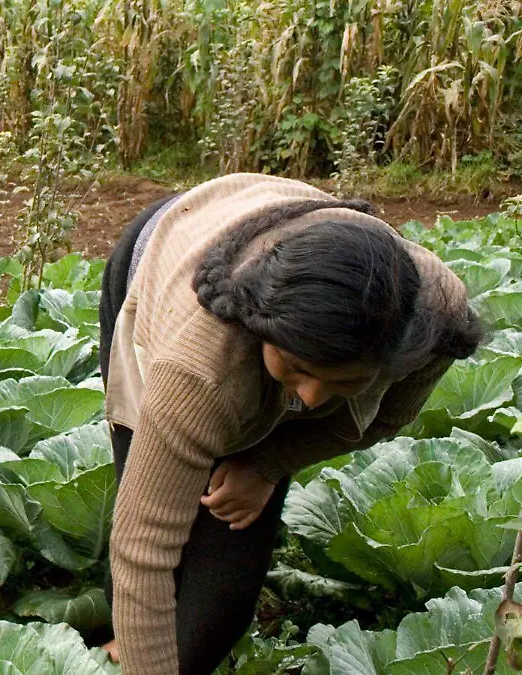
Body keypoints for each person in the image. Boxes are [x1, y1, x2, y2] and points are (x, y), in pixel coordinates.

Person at [97, 173, 481, 674]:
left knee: (214, 614)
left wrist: (268, 463)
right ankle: (123, 640)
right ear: (260, 333)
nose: (311, 397)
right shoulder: (197, 367)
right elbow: (143, 545)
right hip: (167, 248)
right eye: (297, 369)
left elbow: (386, 417)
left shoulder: (432, 321)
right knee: (154, 514)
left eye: (344, 383)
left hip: (301, 247)